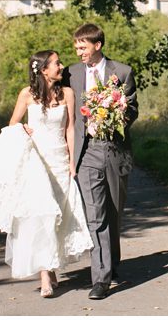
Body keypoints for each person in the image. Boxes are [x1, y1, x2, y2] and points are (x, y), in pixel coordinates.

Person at [0, 50, 93, 298]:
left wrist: (72, 163)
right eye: (57, 63)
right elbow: (12, 125)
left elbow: (70, 129)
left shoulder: (68, 94)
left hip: (59, 160)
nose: (62, 66)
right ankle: (45, 276)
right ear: (44, 69)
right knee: (40, 215)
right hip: (36, 161)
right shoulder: (27, 94)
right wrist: (22, 127)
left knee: (58, 217)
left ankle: (51, 266)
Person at [63, 23, 138, 300]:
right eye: (76, 47)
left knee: (114, 212)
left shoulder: (123, 72)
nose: (78, 51)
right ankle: (101, 279)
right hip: (86, 152)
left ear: (97, 45)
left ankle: (112, 262)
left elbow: (132, 110)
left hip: (115, 149)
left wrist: (116, 112)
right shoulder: (70, 73)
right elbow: (56, 100)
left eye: (82, 46)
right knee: (96, 216)